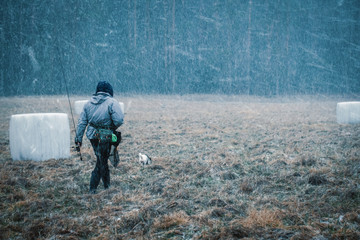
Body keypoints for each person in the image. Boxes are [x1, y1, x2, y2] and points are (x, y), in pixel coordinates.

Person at [75, 81, 124, 194]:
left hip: (93, 136)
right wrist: (111, 128)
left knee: (102, 159)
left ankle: (106, 186)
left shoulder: (88, 104)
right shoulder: (112, 102)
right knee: (101, 161)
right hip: (106, 136)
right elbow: (119, 120)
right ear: (109, 91)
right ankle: (94, 188)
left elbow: (82, 123)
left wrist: (78, 139)